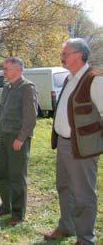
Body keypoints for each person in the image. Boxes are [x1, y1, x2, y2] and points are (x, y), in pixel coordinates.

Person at [44, 38, 103, 245]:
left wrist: (96, 144)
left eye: (65, 53)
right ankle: (66, 226)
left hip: (82, 148)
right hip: (64, 144)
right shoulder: (70, 78)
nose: (62, 57)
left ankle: (85, 239)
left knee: (84, 195)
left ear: (79, 55)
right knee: (64, 188)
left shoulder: (95, 80)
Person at [0, 57, 38, 226]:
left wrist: (21, 138)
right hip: (4, 136)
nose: (4, 72)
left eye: (7, 69)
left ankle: (18, 214)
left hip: (18, 139)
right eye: (4, 68)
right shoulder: (7, 87)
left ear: (18, 69)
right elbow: (2, 111)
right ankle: (6, 206)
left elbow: (31, 118)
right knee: (3, 173)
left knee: (17, 176)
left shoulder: (27, 88)